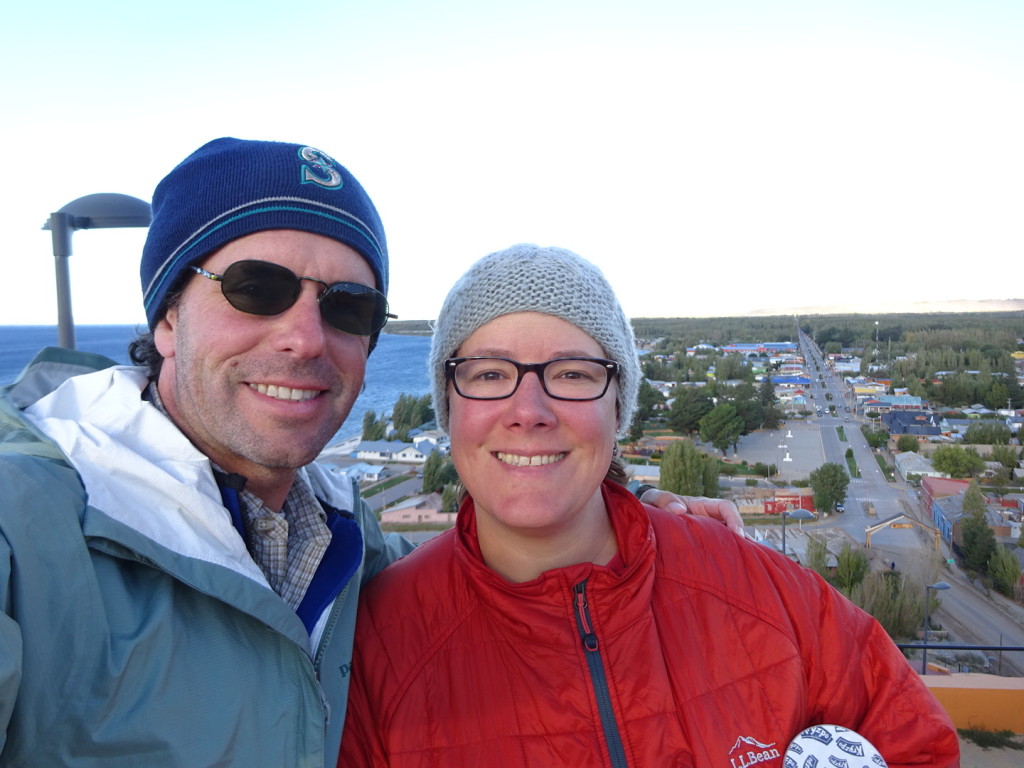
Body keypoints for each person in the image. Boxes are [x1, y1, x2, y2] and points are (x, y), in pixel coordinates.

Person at [0, 139, 739, 767]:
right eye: (258, 288)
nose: (306, 337)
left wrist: (625, 518)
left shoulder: (346, 540)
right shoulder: (24, 531)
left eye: (348, 305)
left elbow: (490, 582)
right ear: (165, 316)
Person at [338, 244, 959, 768]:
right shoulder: (377, 651)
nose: (528, 410)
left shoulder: (761, 592)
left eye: (574, 374)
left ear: (619, 406)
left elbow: (915, 743)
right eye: (489, 373)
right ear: (449, 406)